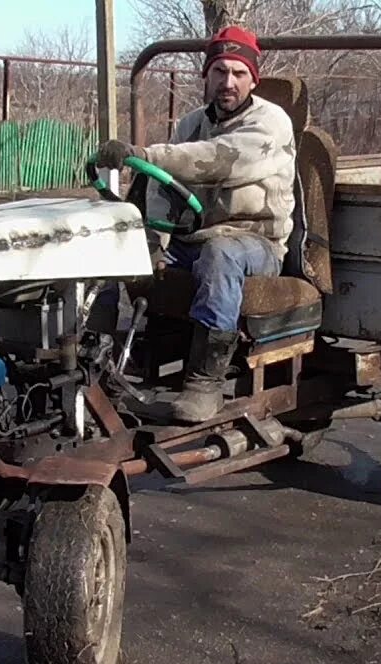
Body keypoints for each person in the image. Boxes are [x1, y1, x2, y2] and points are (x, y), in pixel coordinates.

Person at [94, 25, 297, 424]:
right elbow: (163, 187)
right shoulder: (190, 124)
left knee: (219, 256)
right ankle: (98, 358)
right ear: (206, 76)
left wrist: (144, 153)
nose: (228, 82)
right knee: (108, 249)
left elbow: (218, 159)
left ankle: (204, 383)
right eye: (219, 71)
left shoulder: (271, 123)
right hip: (196, 239)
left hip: (255, 243)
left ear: (253, 78)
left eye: (239, 73)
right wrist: (150, 242)